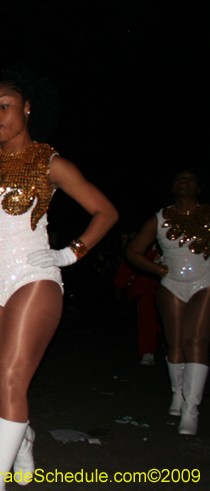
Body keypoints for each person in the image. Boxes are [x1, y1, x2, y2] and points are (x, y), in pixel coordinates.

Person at [0, 67, 117, 490]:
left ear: (27, 108)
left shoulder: (50, 161)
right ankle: (22, 438)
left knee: (11, 381)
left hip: (34, 277)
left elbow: (105, 212)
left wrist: (71, 253)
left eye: (5, 107)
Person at [125, 169, 209, 435]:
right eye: (179, 178)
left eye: (190, 178)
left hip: (204, 283)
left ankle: (191, 410)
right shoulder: (160, 218)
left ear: (198, 187)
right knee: (174, 344)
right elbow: (133, 252)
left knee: (194, 341)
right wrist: (157, 270)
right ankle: (177, 395)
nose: (184, 181)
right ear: (173, 188)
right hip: (171, 285)